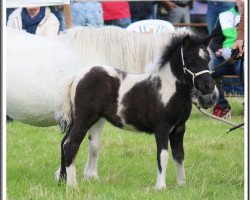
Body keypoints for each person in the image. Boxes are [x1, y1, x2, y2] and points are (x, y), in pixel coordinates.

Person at [209, 0, 244, 118]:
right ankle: (222, 106)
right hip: (224, 58)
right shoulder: (224, 15)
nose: (242, 1)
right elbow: (215, 41)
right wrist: (217, 50)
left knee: (246, 68)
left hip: (243, 57)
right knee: (205, 70)